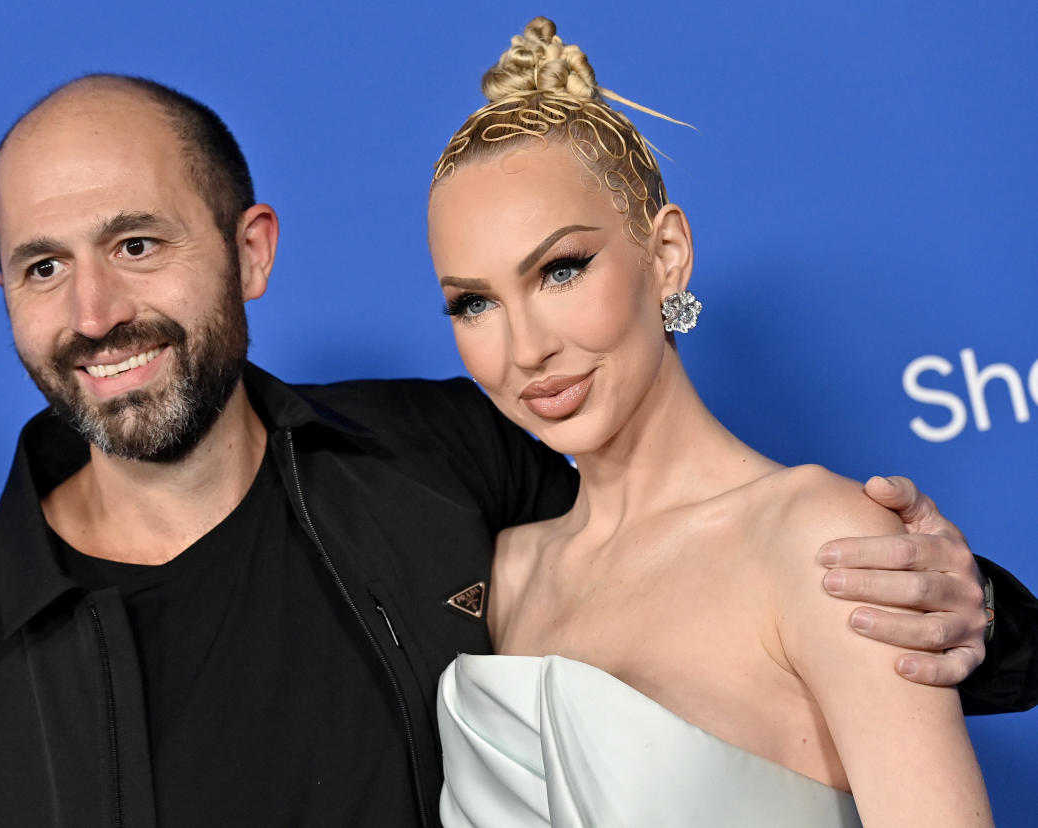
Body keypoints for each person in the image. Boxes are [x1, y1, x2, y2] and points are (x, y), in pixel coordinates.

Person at [0, 73, 1036, 827]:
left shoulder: (446, 465)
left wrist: (969, 606)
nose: (96, 311)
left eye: (139, 244)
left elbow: (729, 568)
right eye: (43, 266)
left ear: (250, 252)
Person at [428, 17, 1016, 827]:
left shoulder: (819, 541)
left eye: (561, 270)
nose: (526, 347)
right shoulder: (504, 578)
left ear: (666, 254)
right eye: (475, 303)